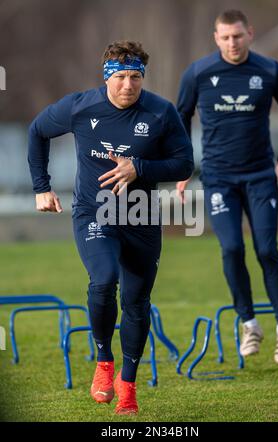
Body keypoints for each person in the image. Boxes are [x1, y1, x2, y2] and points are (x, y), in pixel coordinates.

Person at [28, 40, 194, 415]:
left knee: (136, 303)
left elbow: (184, 164)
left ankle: (129, 384)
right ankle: (104, 361)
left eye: (135, 77)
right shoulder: (80, 106)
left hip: (141, 216)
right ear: (106, 77)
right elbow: (37, 131)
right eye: (120, 76)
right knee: (103, 280)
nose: (128, 85)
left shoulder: (162, 112)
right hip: (95, 211)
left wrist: (141, 168)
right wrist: (41, 187)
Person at [176, 10, 278, 363]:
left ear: (250, 34)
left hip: (261, 176)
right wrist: (184, 165)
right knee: (231, 249)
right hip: (218, 179)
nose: (232, 43)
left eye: (238, 36)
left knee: (266, 250)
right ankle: (249, 324)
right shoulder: (198, 73)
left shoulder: (269, 70)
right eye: (226, 37)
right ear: (216, 38)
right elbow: (179, 116)